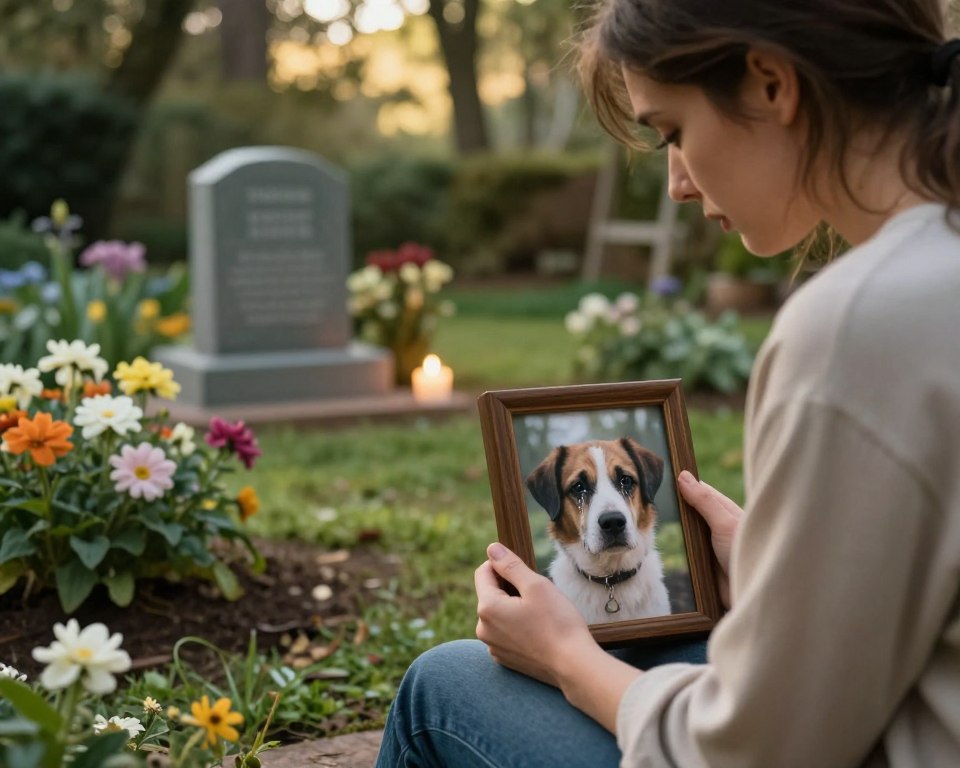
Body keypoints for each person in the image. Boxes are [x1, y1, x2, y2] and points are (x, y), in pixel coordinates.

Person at [375, 0, 960, 765]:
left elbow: (755, 754)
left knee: (442, 683)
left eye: (673, 131)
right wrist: (778, 572)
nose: (677, 182)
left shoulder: (857, 324)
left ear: (772, 84)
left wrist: (566, 657)